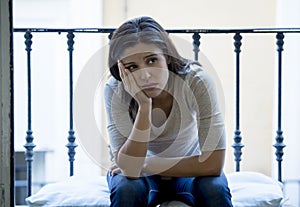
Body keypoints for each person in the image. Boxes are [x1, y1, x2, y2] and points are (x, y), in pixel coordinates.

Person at [104, 16, 233, 207]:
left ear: (167, 57)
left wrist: (145, 164)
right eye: (132, 67)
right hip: (142, 179)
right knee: (126, 187)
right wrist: (144, 105)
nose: (145, 75)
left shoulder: (196, 81)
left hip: (188, 173)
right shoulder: (116, 89)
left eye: (152, 60)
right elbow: (129, 170)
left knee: (214, 188)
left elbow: (213, 164)